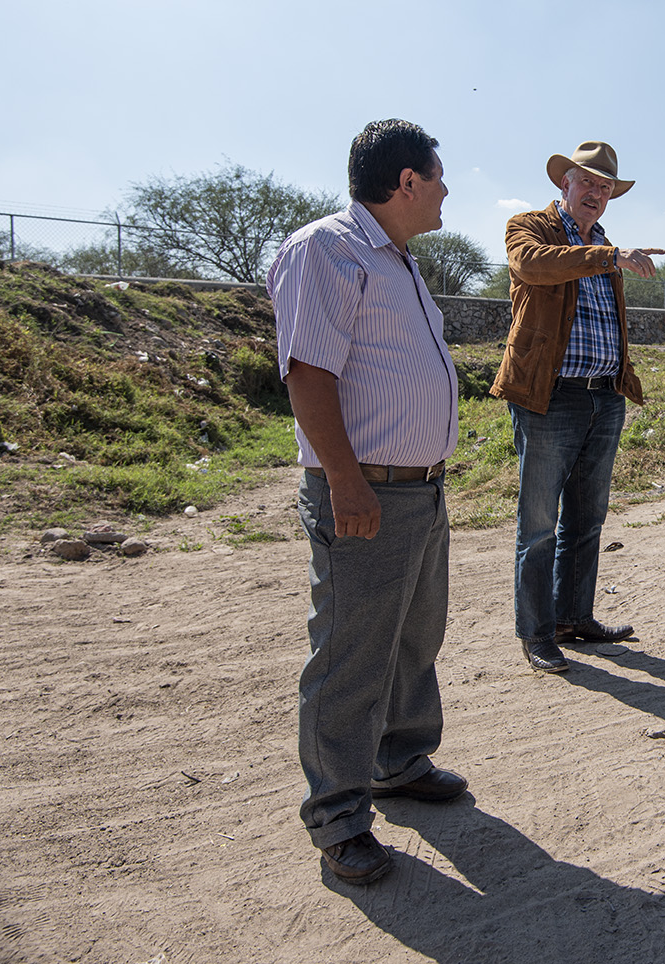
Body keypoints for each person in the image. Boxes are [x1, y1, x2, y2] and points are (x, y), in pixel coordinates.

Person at [268, 118, 467, 886]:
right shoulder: (326, 248)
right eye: (439, 177)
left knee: (415, 638)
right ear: (407, 182)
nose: (447, 190)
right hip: (365, 493)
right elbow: (308, 374)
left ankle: (398, 760)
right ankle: (339, 816)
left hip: (420, 488)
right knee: (351, 655)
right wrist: (345, 482)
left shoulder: (399, 262)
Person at [492, 142, 665, 674]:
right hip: (551, 396)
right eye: (587, 182)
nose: (596, 193)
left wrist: (619, 381)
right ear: (563, 183)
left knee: (587, 517)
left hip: (603, 395)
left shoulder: (605, 243)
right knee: (540, 522)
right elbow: (532, 266)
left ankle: (573, 618)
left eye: (605, 187)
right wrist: (609, 257)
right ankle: (537, 632)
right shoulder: (532, 228)